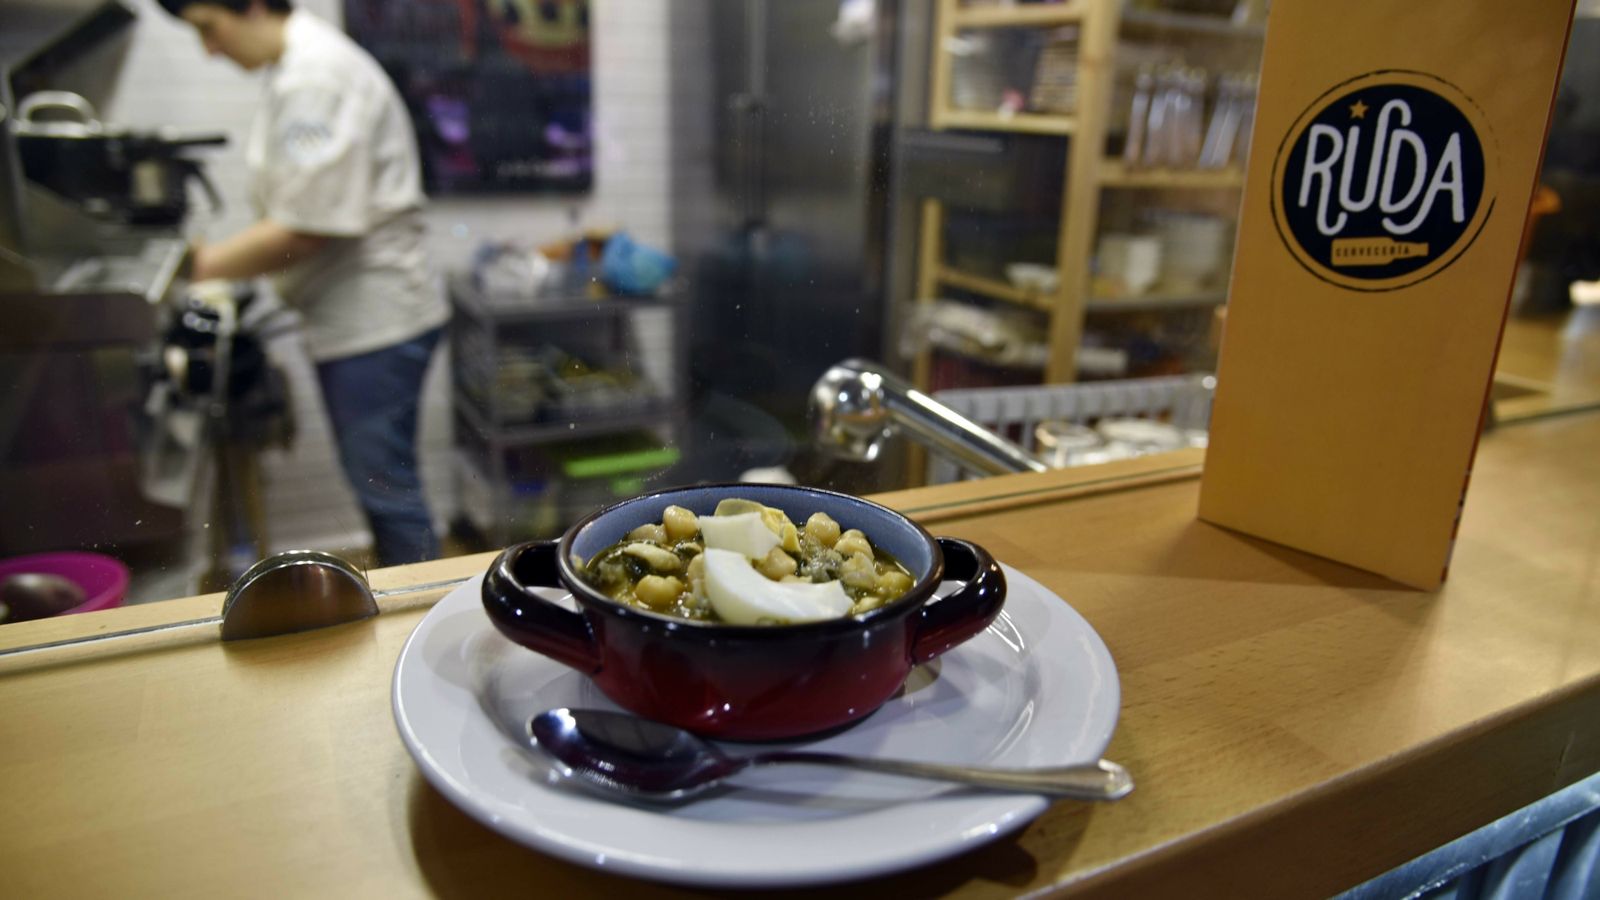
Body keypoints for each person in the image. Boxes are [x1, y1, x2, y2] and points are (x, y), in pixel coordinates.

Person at [160, 0, 449, 565]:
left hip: (374, 323)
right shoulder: (301, 67)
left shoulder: (315, 76)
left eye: (209, 29)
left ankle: (424, 607)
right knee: (385, 489)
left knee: (388, 495)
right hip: (364, 317)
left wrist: (198, 266)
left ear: (253, 6)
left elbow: (307, 227)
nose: (210, 49)